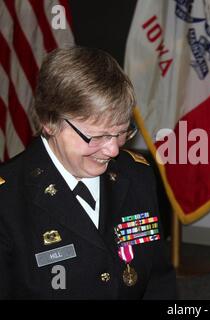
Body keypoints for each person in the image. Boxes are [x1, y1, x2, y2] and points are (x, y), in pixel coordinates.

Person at [0, 46, 176, 299]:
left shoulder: (136, 175)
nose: (113, 149)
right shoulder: (8, 200)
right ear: (49, 122)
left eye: (122, 132)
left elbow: (157, 279)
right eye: (97, 136)